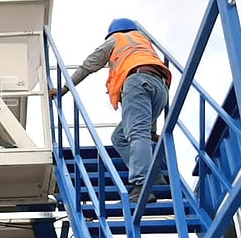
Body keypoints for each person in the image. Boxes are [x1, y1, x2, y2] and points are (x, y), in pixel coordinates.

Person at [49, 18, 171, 203]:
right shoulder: (144, 44)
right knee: (120, 137)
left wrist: (64, 89)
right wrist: (152, 131)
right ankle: (154, 175)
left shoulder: (118, 39)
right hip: (161, 88)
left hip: (137, 82)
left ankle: (141, 187)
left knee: (137, 134)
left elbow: (89, 64)